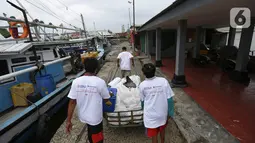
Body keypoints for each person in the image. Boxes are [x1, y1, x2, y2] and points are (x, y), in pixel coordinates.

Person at [66, 58, 111, 143]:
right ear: (96, 68)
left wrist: (68, 121)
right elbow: (107, 99)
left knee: (90, 132)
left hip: (83, 116)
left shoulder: (76, 81)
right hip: (95, 118)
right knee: (97, 138)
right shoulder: (100, 82)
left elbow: (72, 102)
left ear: (84, 67)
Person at [139, 63, 175, 143]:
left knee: (154, 136)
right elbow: (169, 99)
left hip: (150, 115)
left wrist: (143, 110)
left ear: (143, 73)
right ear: (155, 71)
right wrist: (170, 113)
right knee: (162, 129)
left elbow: (142, 102)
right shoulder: (163, 81)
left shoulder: (142, 85)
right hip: (162, 114)